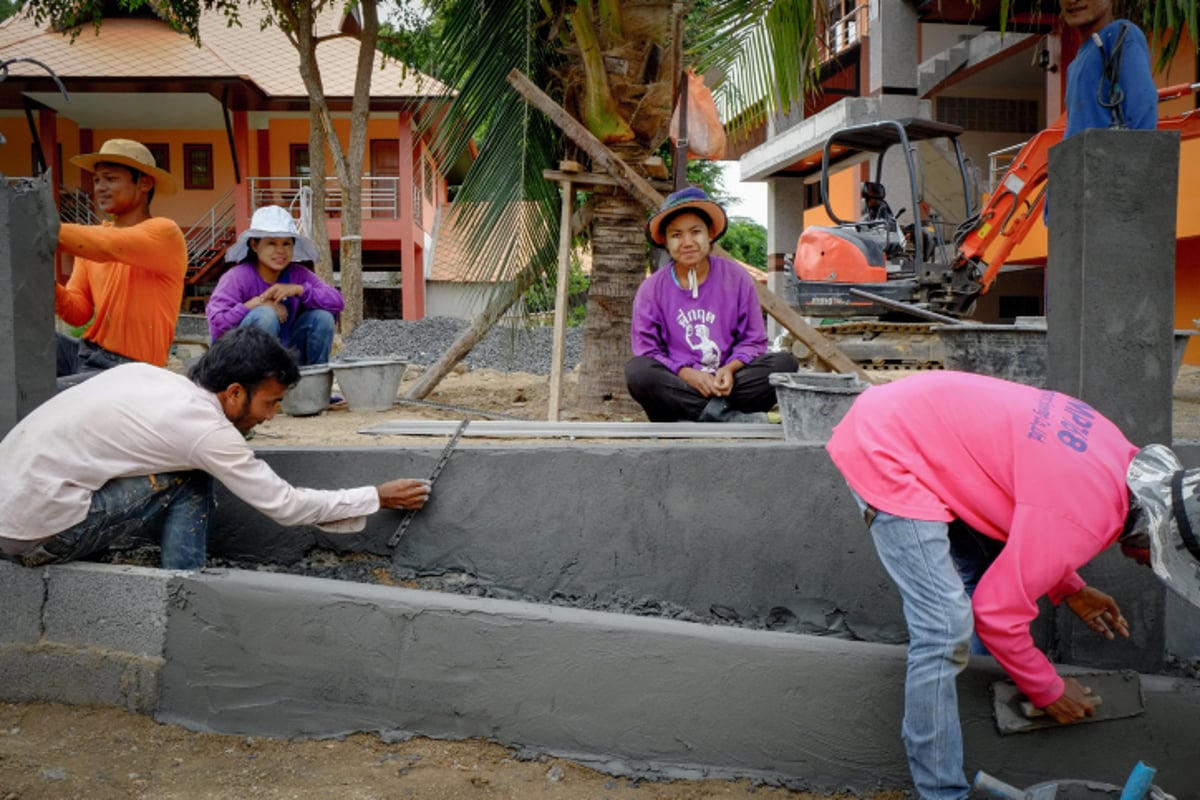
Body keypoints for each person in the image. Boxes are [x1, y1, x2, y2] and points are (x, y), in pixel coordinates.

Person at [825, 370, 1200, 800]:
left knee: (988, 571)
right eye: (1163, 561)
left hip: (919, 423)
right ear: (1155, 537)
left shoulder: (1117, 458)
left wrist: (1069, 588)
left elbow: (1038, 511)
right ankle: (942, 792)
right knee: (944, 628)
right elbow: (996, 613)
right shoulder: (1084, 519)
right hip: (889, 445)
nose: (1147, 567)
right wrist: (1047, 687)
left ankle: (976, 697)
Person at [0, 326, 431, 571]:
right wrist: (376, 496)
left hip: (13, 511)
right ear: (234, 392)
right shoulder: (206, 432)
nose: (270, 417)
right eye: (270, 403)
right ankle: (184, 585)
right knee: (192, 476)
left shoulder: (151, 378)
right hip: (36, 534)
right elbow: (286, 506)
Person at [625, 186, 798, 422]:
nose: (687, 242)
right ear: (665, 242)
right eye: (676, 235)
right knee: (638, 372)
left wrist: (729, 369)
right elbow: (648, 350)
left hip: (725, 386)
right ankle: (727, 417)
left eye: (695, 232)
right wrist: (687, 374)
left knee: (784, 364)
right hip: (679, 383)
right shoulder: (651, 289)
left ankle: (702, 414)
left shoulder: (736, 277)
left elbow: (753, 341)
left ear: (710, 234)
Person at [55, 139, 188, 386]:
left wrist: (38, 228)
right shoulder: (91, 244)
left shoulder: (164, 233)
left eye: (111, 179)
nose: (100, 187)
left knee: (36, 398)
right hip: (85, 354)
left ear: (145, 183)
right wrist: (47, 285)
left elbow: (108, 245)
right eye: (97, 180)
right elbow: (77, 312)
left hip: (130, 369)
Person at [206, 205, 343, 365]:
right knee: (265, 315)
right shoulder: (237, 277)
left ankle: (312, 381)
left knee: (323, 318)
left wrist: (299, 290)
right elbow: (217, 325)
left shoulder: (298, 274)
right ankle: (261, 384)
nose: (280, 251)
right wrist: (257, 303)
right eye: (271, 243)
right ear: (255, 245)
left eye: (286, 244)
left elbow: (337, 301)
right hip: (241, 364)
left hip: (288, 355)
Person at [1061, 0, 1157, 140]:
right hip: (1078, 158)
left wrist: (1133, 158)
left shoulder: (1121, 35)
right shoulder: (1074, 65)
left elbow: (1142, 108)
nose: (1072, 1)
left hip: (1108, 158)